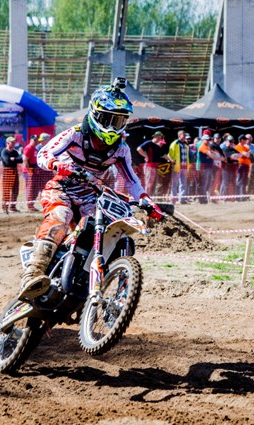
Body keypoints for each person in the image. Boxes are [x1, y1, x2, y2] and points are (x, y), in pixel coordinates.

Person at [20, 79, 162, 300]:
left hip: (90, 195)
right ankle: (33, 273)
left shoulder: (121, 148)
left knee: (103, 228)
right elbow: (43, 154)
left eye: (119, 120)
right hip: (61, 187)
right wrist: (57, 164)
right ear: (95, 114)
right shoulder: (75, 134)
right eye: (108, 119)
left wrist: (145, 199)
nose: (113, 126)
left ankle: (86, 278)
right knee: (61, 216)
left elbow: (132, 180)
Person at [137, 131, 171, 198]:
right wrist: (146, 156)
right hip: (149, 166)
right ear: (156, 136)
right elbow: (139, 149)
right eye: (160, 137)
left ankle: (148, 197)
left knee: (151, 183)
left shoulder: (157, 146)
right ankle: (146, 197)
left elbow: (163, 155)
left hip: (154, 167)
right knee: (148, 183)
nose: (161, 138)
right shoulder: (149, 143)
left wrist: (170, 160)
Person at [0, 136, 23, 213]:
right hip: (7, 171)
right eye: (12, 142)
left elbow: (21, 160)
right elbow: (7, 161)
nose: (13, 144)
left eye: (14, 142)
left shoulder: (15, 152)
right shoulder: (4, 151)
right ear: (7, 143)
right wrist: (14, 159)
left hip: (15, 171)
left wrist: (14, 159)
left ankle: (13, 207)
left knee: (15, 190)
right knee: (6, 190)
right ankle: (5, 207)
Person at [168, 130, 190, 204]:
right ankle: (173, 200)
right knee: (174, 184)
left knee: (183, 184)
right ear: (179, 136)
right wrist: (172, 162)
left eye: (185, 135)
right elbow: (170, 155)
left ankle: (182, 199)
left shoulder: (186, 144)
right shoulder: (175, 143)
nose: (185, 137)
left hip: (185, 166)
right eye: (183, 135)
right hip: (177, 166)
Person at [23, 134, 42, 212]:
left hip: (34, 171)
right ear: (31, 140)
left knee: (35, 189)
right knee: (30, 189)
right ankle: (29, 206)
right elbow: (25, 159)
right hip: (30, 171)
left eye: (37, 140)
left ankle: (31, 205)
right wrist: (29, 170)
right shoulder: (29, 147)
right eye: (35, 140)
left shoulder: (34, 148)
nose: (36, 141)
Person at [220, 135, 240, 199]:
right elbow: (230, 157)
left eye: (232, 141)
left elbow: (240, 155)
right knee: (225, 183)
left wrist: (235, 156)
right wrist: (235, 156)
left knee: (232, 183)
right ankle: (224, 197)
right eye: (230, 141)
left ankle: (231, 197)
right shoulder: (225, 149)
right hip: (226, 169)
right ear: (227, 141)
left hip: (232, 169)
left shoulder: (233, 149)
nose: (231, 143)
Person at [234, 134, 254, 199]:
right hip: (240, 165)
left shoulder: (245, 147)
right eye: (245, 139)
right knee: (239, 181)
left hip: (246, 166)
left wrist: (247, 153)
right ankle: (238, 196)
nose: (246, 140)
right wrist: (247, 153)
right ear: (242, 140)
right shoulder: (237, 147)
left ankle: (243, 196)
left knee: (244, 181)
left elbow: (249, 155)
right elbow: (247, 154)